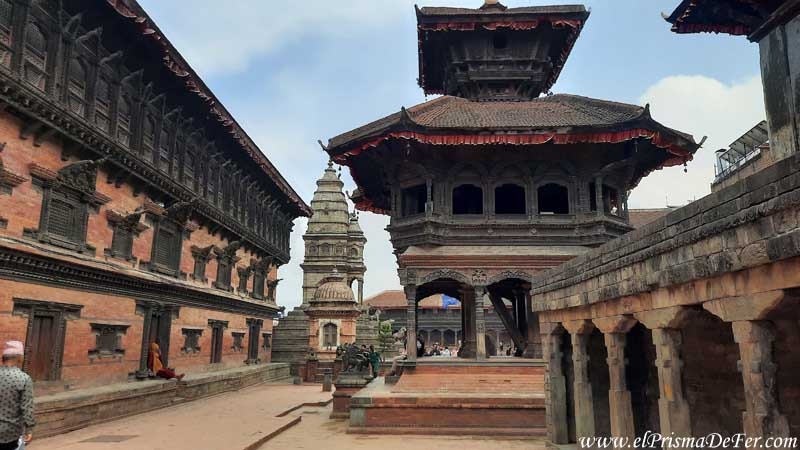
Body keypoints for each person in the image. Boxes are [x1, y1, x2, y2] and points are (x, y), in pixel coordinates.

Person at [0, 341, 34, 450]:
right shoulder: (23, 379)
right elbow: (27, 407)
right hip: (10, 432)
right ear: (19, 358)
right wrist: (29, 429)